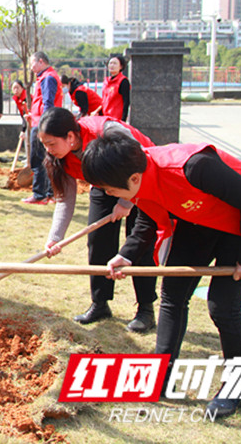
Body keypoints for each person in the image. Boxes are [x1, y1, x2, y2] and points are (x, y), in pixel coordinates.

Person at [81, 132, 241, 419]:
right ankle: (161, 375)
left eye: (109, 189)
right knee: (173, 293)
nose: (108, 194)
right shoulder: (141, 177)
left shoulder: (193, 167)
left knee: (223, 306)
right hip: (202, 218)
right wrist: (126, 254)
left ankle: (235, 390)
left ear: (134, 178)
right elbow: (148, 215)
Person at [39, 108, 157, 332]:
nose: (48, 149)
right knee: (97, 240)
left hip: (141, 178)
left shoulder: (108, 131)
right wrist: (55, 238)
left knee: (140, 243)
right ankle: (100, 303)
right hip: (103, 182)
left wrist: (126, 203)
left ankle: (146, 309)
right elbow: (65, 199)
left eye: (52, 143)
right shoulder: (59, 159)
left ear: (71, 137)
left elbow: (140, 162)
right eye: (44, 143)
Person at [22, 51, 62, 205]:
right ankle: (51, 194)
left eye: (32, 63)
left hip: (43, 125)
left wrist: (43, 126)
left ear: (40, 61)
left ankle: (40, 194)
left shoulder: (48, 78)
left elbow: (48, 103)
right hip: (40, 121)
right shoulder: (45, 77)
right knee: (49, 160)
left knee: (38, 160)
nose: (30, 67)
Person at [95, 53, 131, 121]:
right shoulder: (106, 81)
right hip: (105, 118)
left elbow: (126, 102)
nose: (112, 65)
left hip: (116, 119)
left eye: (115, 63)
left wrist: (123, 120)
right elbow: (104, 101)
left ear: (121, 67)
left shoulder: (123, 81)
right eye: (110, 63)